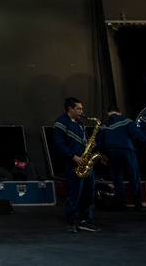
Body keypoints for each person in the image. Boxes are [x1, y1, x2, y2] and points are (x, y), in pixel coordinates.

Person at [52, 97, 100, 233]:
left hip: (85, 161)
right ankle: (71, 221)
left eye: (81, 109)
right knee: (74, 192)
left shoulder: (80, 124)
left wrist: (90, 145)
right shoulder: (60, 123)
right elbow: (59, 144)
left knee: (88, 191)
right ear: (70, 109)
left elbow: (83, 140)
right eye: (78, 109)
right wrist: (73, 157)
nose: (81, 111)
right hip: (72, 162)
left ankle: (85, 219)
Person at [97, 105, 146, 211]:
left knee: (117, 178)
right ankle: (137, 204)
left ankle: (121, 203)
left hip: (111, 152)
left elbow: (99, 142)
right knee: (133, 177)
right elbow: (137, 133)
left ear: (108, 113)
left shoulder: (103, 124)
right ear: (119, 113)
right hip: (127, 151)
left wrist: (102, 154)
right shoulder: (126, 120)